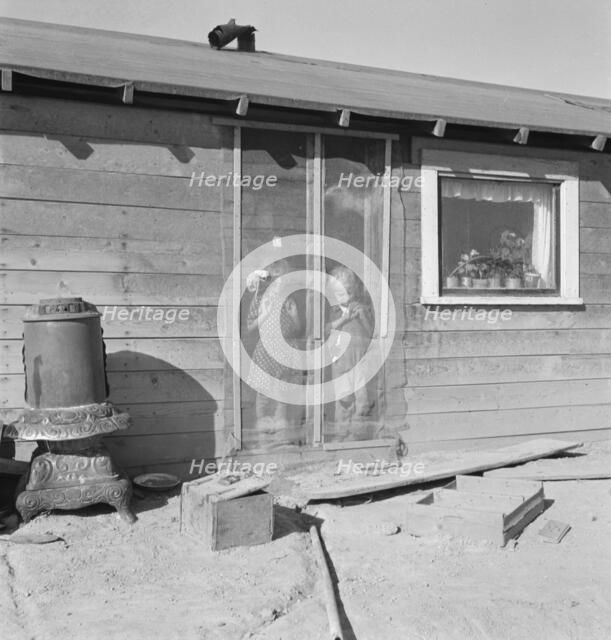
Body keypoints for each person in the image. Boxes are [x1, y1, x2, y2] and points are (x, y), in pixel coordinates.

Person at [246, 259, 302, 437]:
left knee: (281, 395)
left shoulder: (289, 301)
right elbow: (249, 327)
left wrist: (294, 316)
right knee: (264, 393)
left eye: (281, 280)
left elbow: (297, 330)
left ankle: (280, 431)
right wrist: (265, 314)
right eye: (273, 280)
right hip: (266, 352)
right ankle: (264, 426)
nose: (277, 284)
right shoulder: (261, 300)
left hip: (285, 350)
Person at [325, 265, 374, 434]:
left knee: (362, 399)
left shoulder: (362, 308)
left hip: (360, 360)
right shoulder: (333, 311)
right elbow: (324, 331)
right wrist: (343, 319)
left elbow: (370, 333)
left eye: (349, 292)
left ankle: (359, 433)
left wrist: (363, 317)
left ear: (355, 292)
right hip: (340, 360)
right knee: (343, 399)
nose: (345, 297)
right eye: (339, 294)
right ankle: (341, 433)